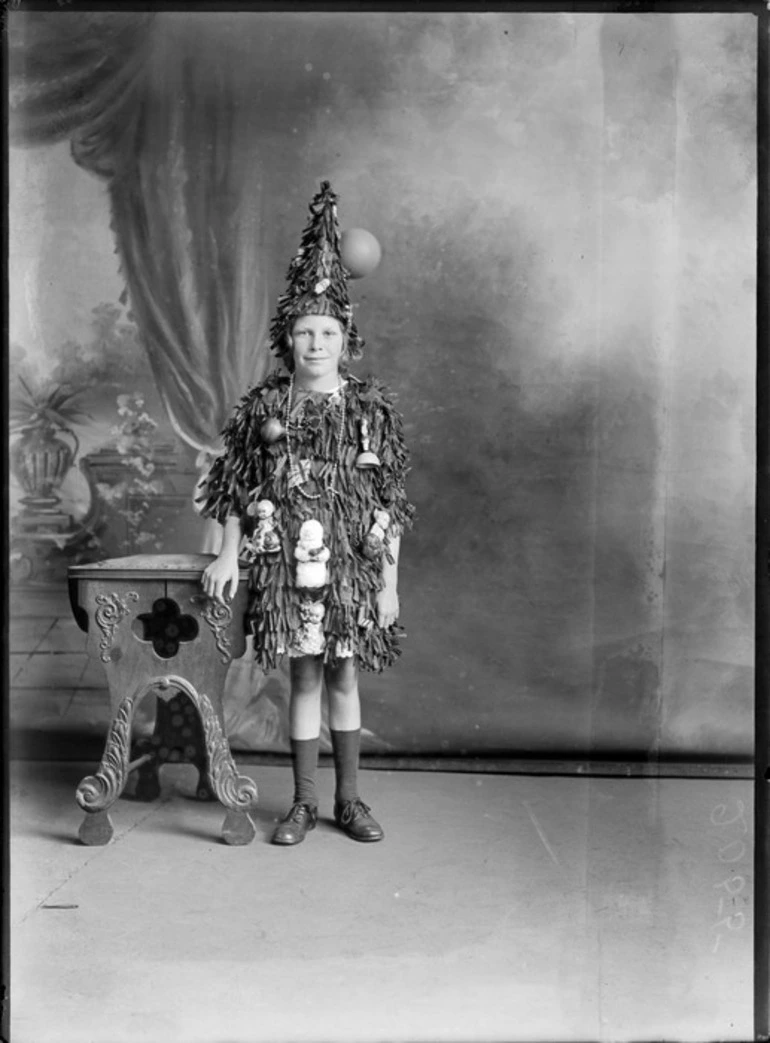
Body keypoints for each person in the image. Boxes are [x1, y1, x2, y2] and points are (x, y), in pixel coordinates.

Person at [197, 181, 414, 845]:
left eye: (327, 332)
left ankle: (349, 800)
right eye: (303, 332)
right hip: (287, 567)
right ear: (286, 339)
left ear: (347, 340)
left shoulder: (370, 412)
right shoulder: (265, 408)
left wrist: (388, 583)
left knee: (344, 671)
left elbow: (390, 503)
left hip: (349, 564)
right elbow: (237, 486)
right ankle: (301, 802)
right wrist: (231, 552)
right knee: (303, 676)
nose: (315, 343)